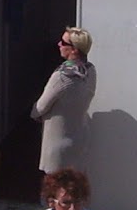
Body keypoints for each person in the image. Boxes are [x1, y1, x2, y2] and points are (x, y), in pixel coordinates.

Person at [32, 27, 96, 176]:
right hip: (80, 138)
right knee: (75, 186)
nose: (58, 45)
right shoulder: (90, 71)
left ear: (74, 50)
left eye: (63, 42)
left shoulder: (62, 77)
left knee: (54, 190)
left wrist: (34, 113)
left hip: (58, 145)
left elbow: (41, 107)